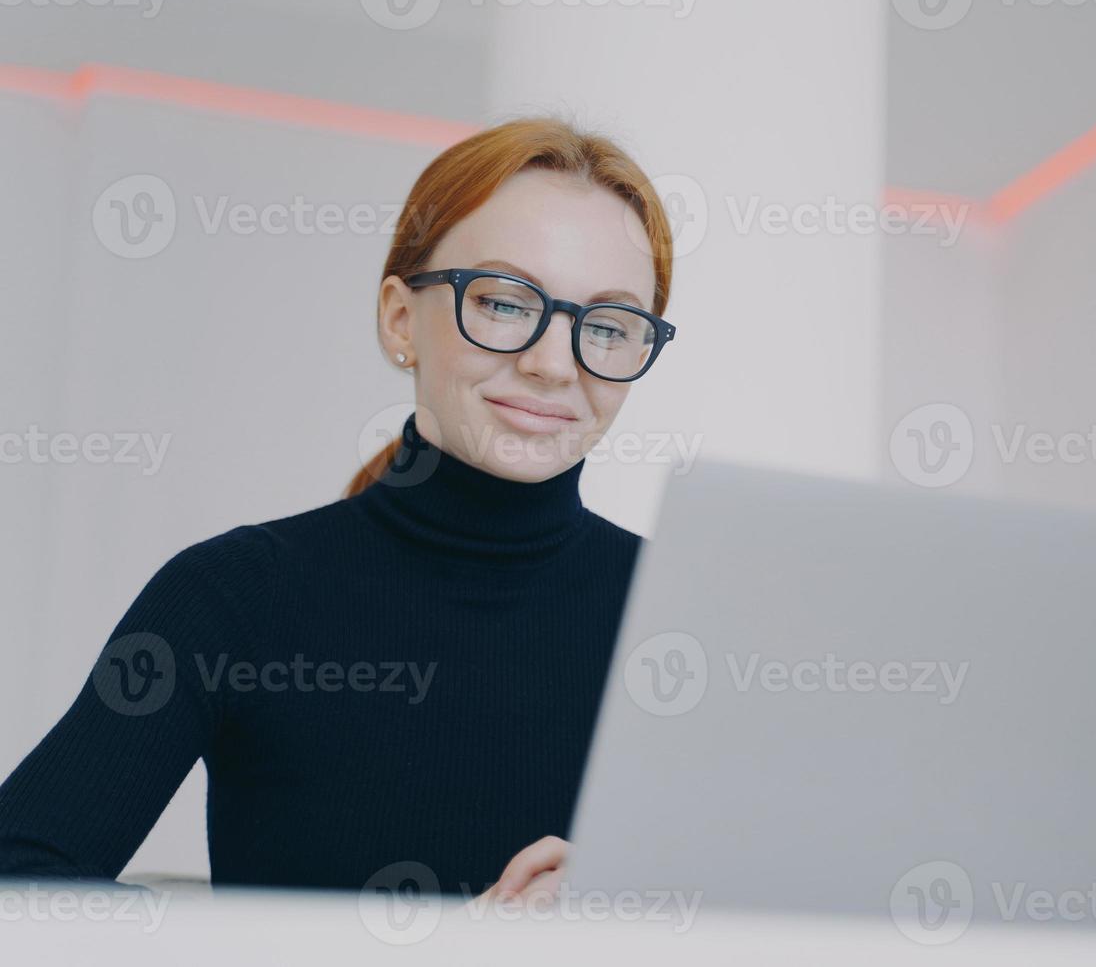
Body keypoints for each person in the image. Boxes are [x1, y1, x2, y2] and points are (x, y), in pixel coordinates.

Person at [0, 116, 677, 904]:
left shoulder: (678, 619)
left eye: (607, 325)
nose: (554, 364)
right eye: (501, 303)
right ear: (400, 319)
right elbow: (20, 878)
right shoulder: (236, 594)